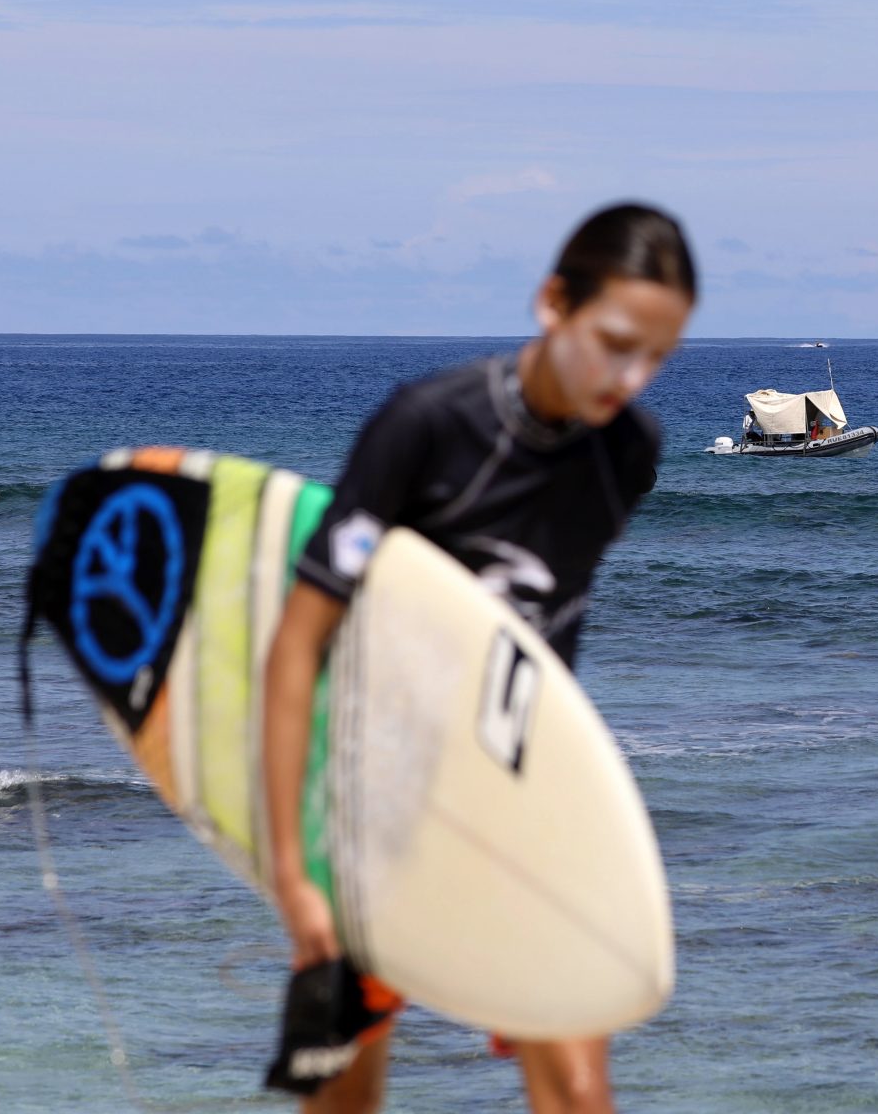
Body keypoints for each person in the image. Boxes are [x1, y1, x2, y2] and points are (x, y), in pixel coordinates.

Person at [262, 203, 696, 1114]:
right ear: (552, 302)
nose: (631, 376)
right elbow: (299, 644)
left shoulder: (630, 454)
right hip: (380, 801)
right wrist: (295, 871)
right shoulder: (427, 426)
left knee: (579, 1095)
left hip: (520, 797)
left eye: (657, 356)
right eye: (614, 342)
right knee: (346, 1098)